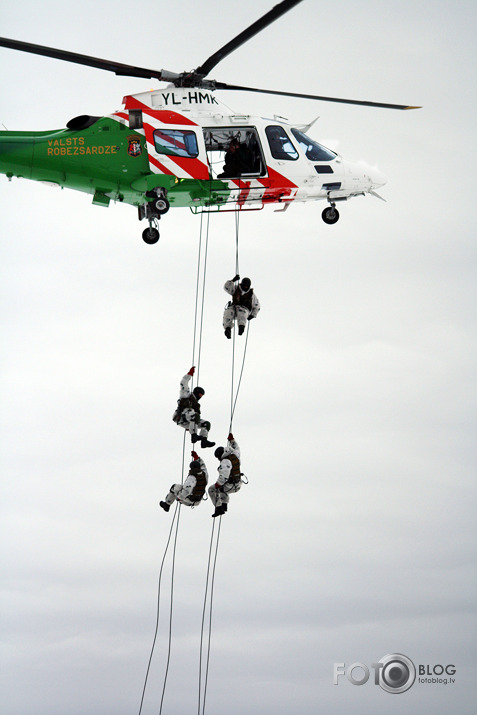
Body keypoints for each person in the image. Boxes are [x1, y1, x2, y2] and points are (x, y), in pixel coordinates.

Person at [172, 366, 215, 448]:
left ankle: (204, 440)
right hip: (181, 416)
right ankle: (194, 435)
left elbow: (196, 419)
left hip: (188, 420)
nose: (200, 397)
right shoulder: (187, 394)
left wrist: (191, 426)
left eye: (202, 396)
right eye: (199, 395)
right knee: (195, 416)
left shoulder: (196, 405)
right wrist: (189, 374)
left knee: (206, 424)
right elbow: (183, 382)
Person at [208, 433, 242, 517]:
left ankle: (219, 508)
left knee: (212, 489)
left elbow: (224, 476)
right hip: (238, 484)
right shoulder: (235, 454)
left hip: (231, 486)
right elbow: (236, 447)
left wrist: (217, 484)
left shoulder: (225, 461)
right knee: (221, 488)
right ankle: (224, 505)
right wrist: (232, 440)